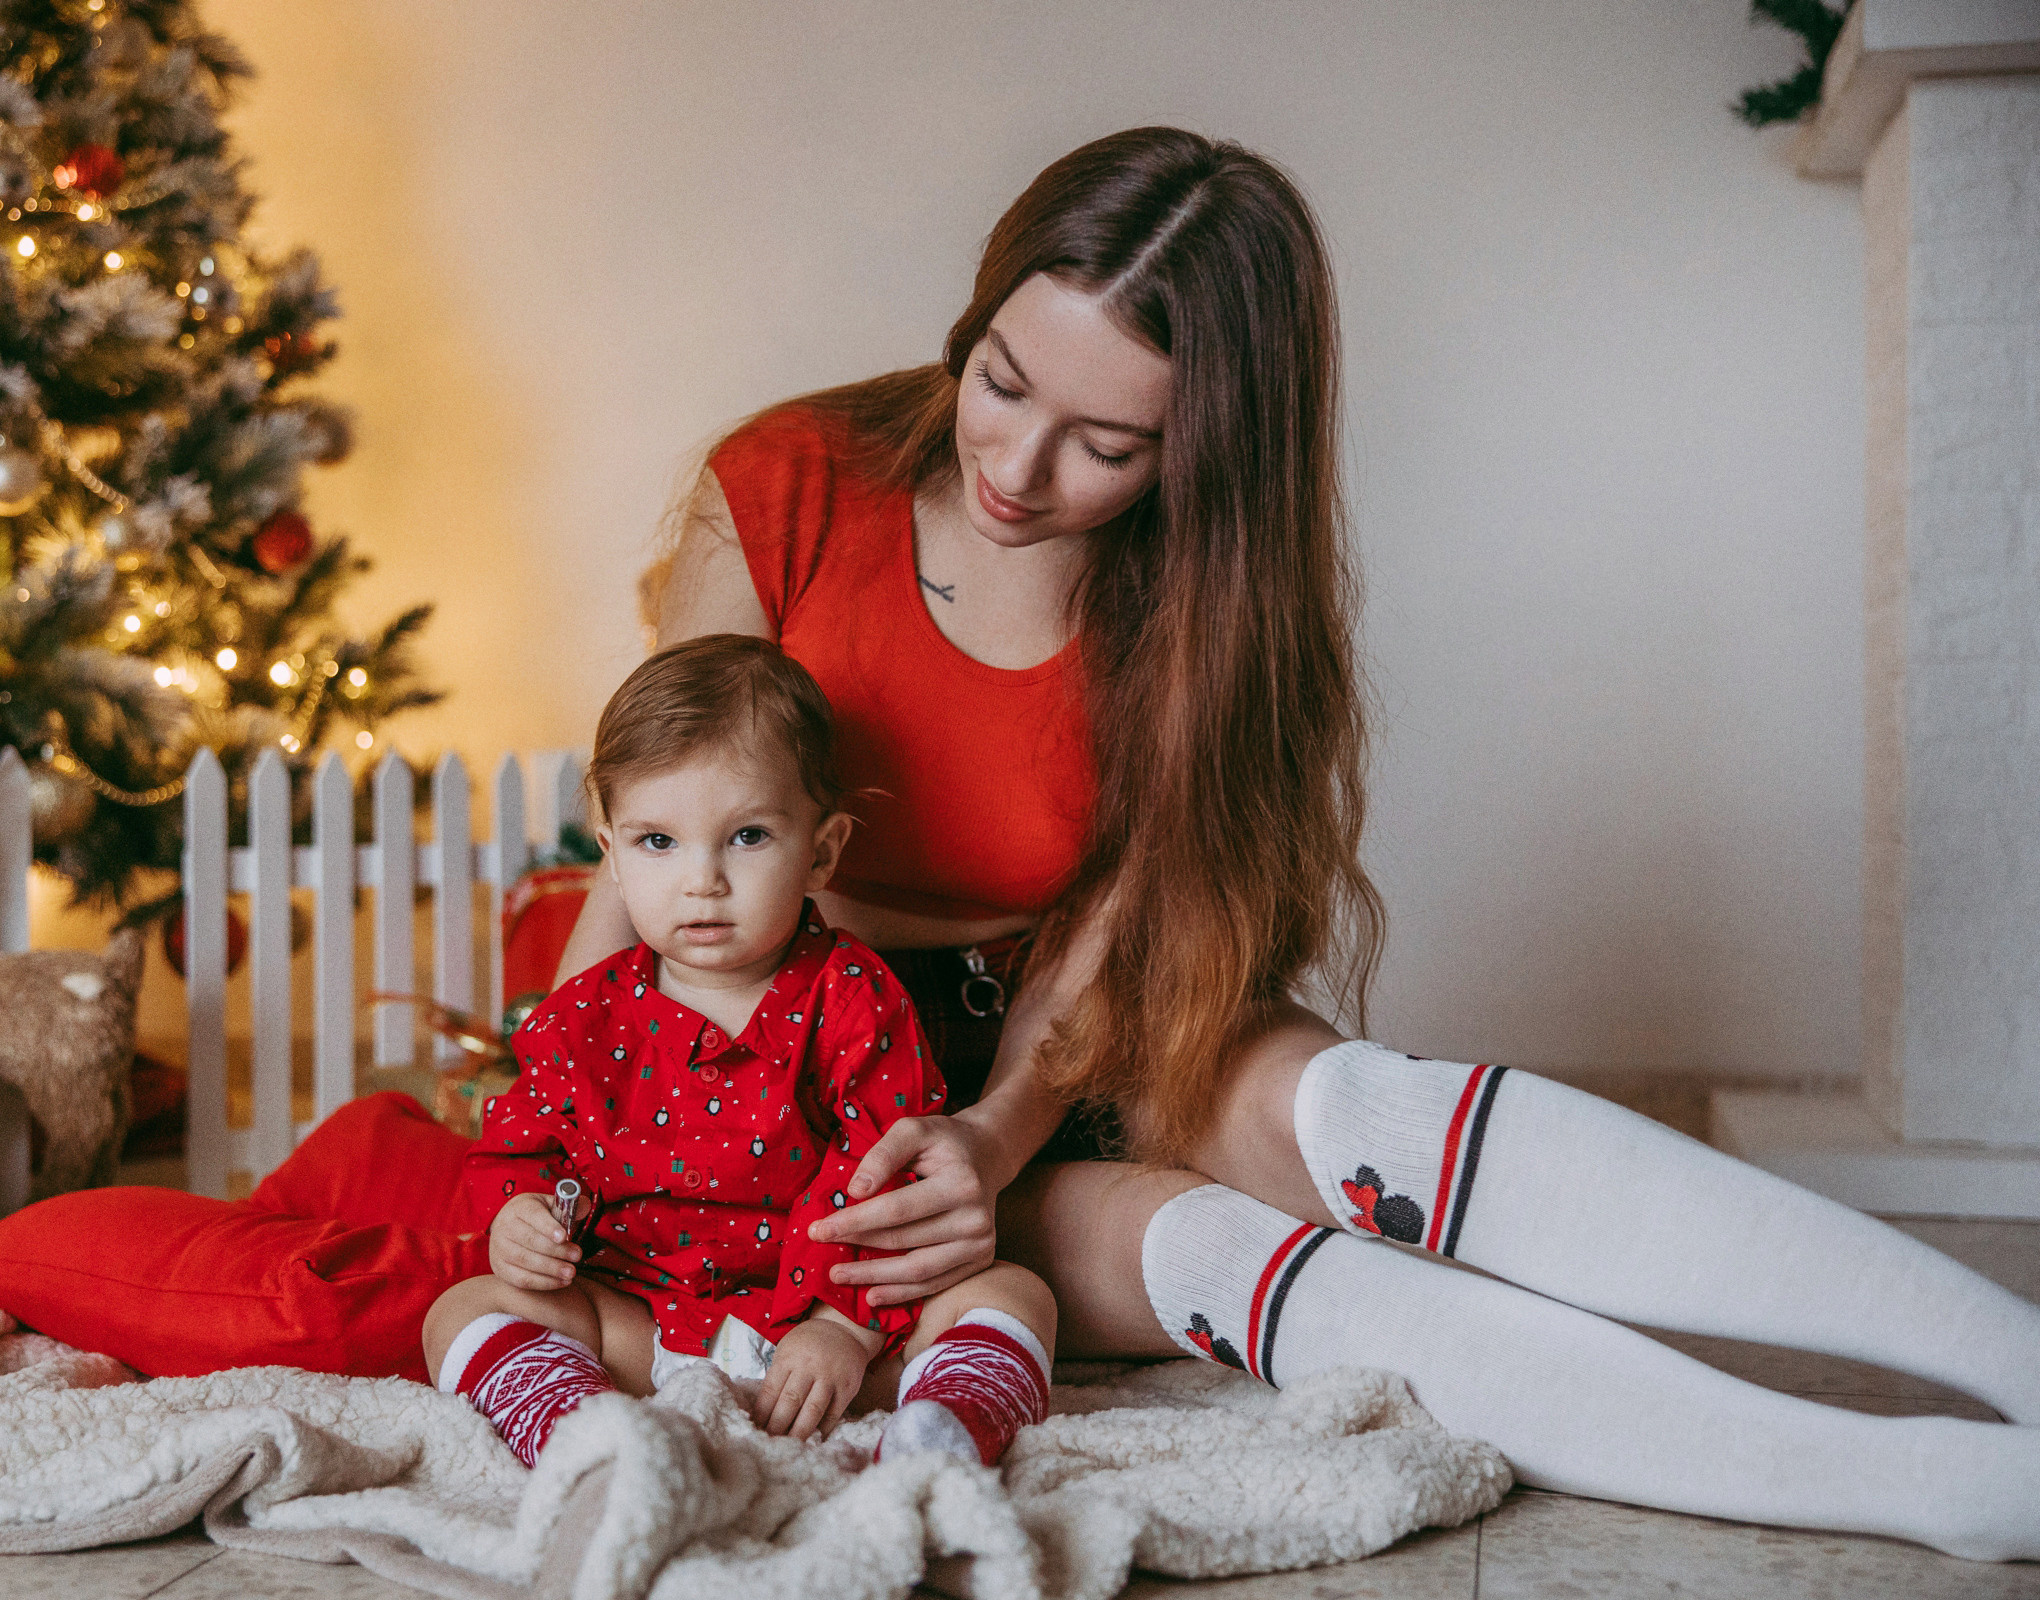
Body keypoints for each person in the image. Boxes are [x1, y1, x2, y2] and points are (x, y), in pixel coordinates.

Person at [549, 126, 2040, 1558]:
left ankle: (2019, 1368)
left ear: (1197, 451)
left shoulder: (1205, 591)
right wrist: (562, 1125)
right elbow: (655, 832)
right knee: (1200, 1244)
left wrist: (995, 1130)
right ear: (976, 314)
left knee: (1361, 1115)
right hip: (811, 1077)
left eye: (1107, 445)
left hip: (1078, 1026)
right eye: (998, 381)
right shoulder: (786, 485)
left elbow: (1124, 924)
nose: (1017, 465)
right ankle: (1923, 1486)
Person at [425, 634, 1055, 1469]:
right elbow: (521, 1146)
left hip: (823, 1340)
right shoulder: (582, 1014)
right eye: (658, 842)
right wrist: (522, 1217)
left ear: (822, 851)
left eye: (747, 836)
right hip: (638, 1325)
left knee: (1011, 1293)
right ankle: (578, 1428)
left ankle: (948, 1426)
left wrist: (842, 1330)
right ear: (611, 856)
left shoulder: (853, 997)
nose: (703, 880)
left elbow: (888, 1175)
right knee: (462, 1309)